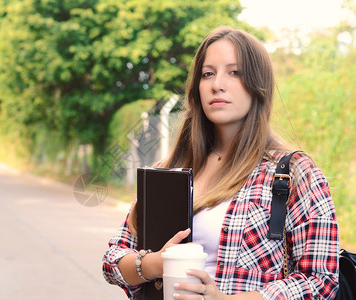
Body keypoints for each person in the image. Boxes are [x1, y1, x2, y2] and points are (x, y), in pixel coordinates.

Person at [102, 26, 339, 300]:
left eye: (234, 72)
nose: (217, 84)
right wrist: (155, 264)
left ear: (257, 85)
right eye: (208, 73)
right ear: (197, 88)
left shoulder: (292, 174)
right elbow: (113, 259)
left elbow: (321, 282)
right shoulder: (170, 172)